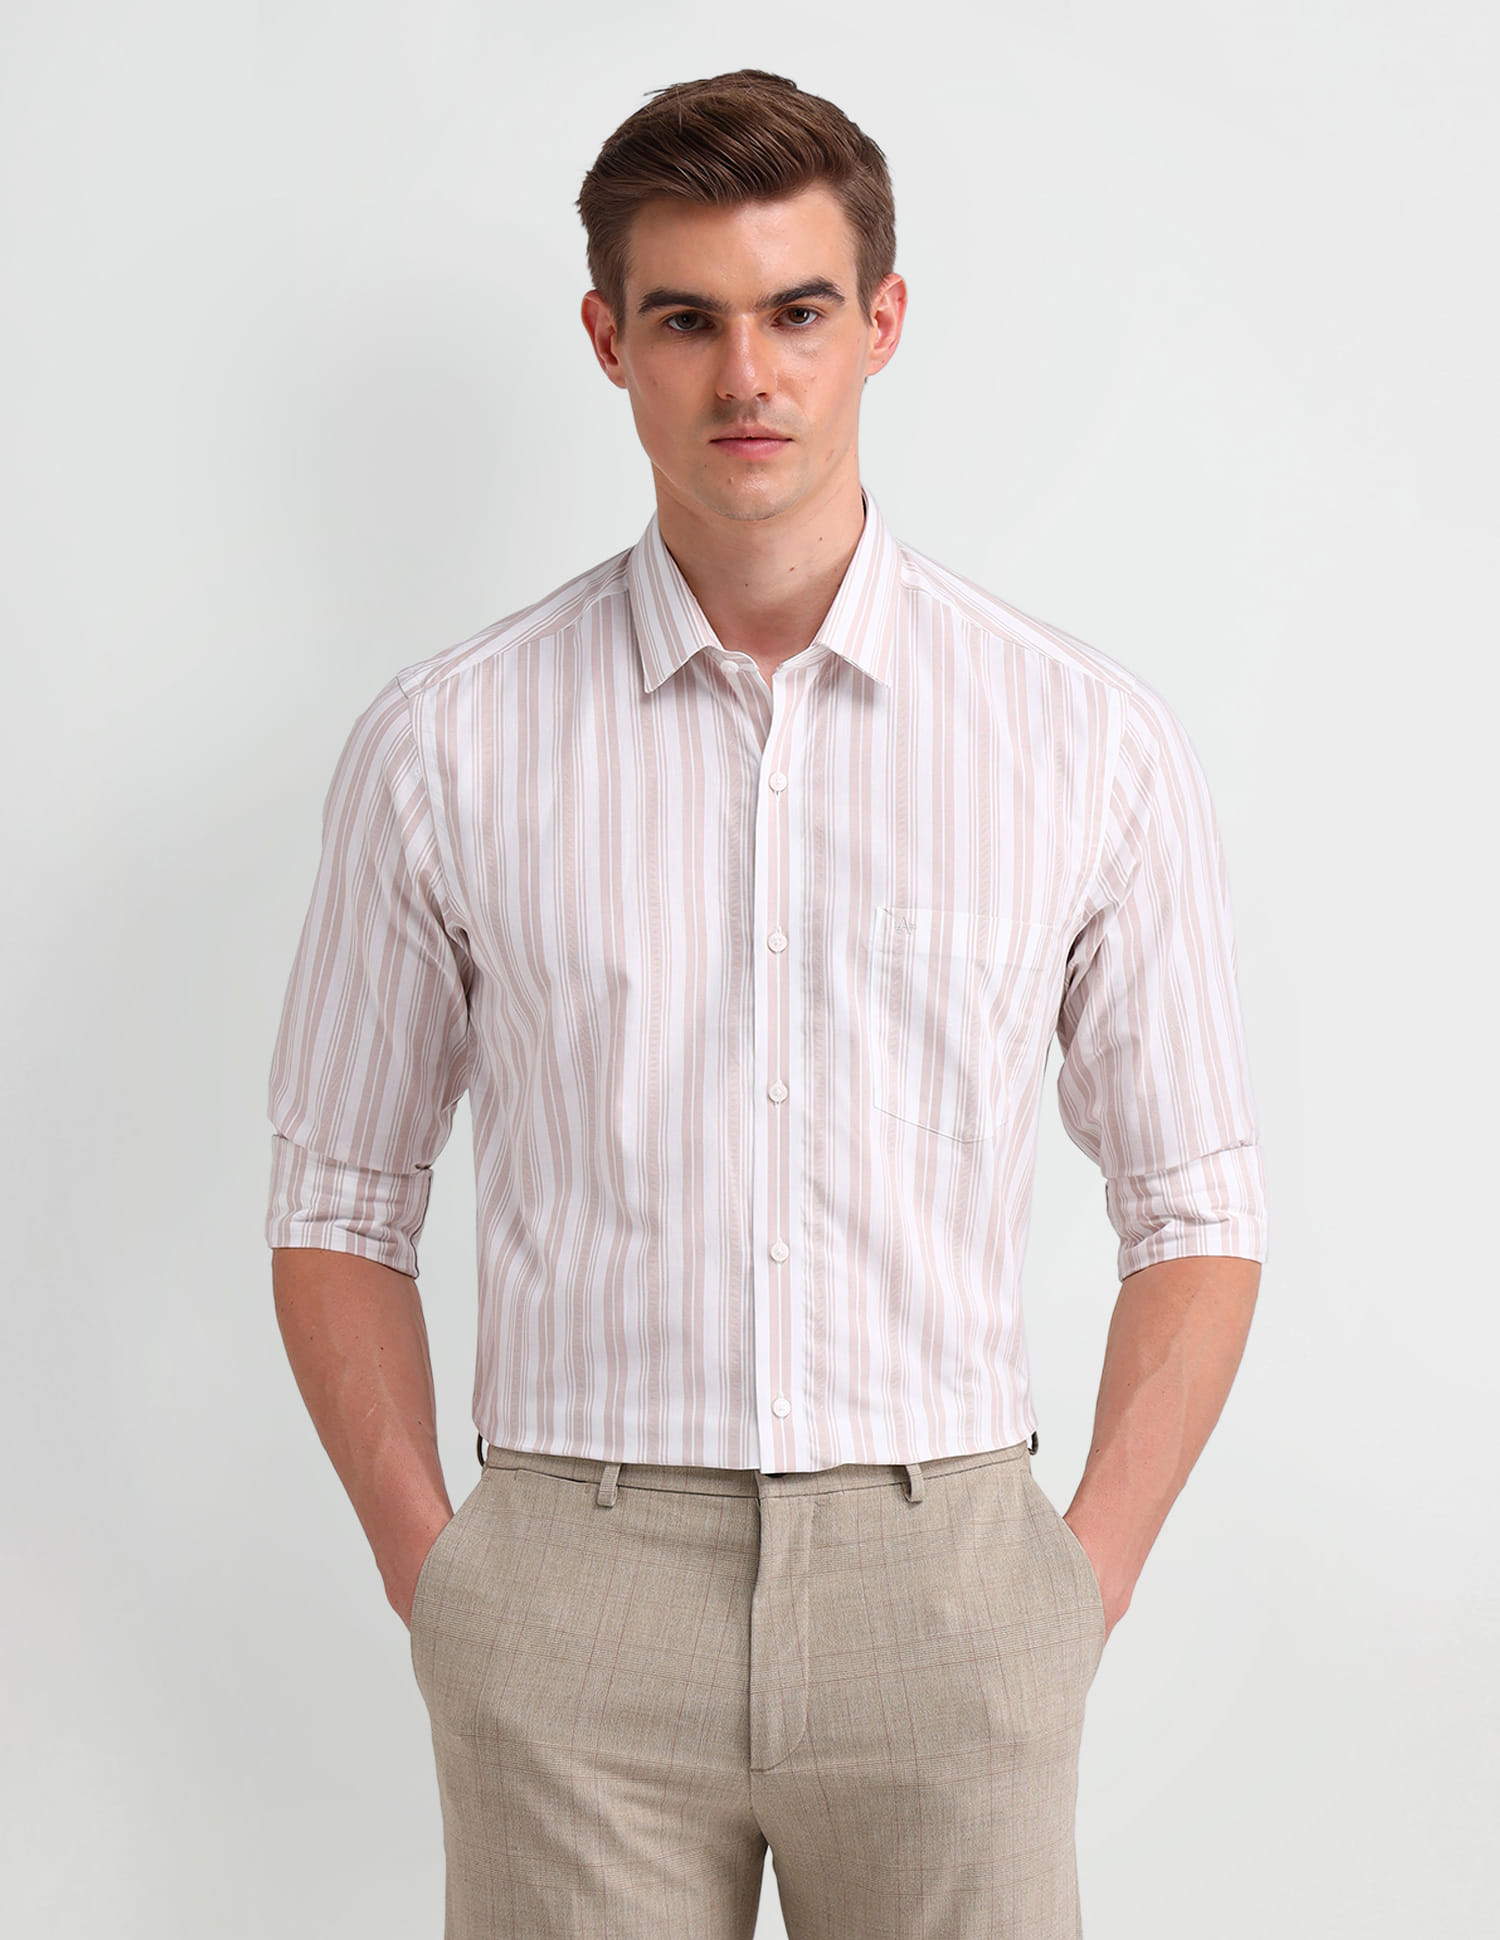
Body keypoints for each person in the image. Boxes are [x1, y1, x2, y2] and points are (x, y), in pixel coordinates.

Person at [266, 68, 1268, 1940]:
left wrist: (1079, 1582)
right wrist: (441, 1576)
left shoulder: (1082, 744)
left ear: (881, 322)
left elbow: (1197, 1204)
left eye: (799, 311)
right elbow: (338, 1201)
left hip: (946, 1589)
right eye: (688, 320)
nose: (749, 375)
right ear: (608, 341)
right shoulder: (446, 746)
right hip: (572, 1593)